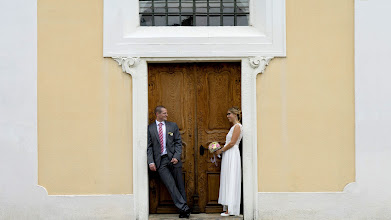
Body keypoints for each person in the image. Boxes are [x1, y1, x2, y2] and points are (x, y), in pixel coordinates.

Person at [147, 106, 191, 218]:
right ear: (157, 114)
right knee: (170, 185)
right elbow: (149, 146)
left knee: (180, 185)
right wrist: (151, 162)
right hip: (160, 162)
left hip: (173, 160)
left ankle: (183, 211)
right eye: (164, 113)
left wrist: (176, 156)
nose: (167, 115)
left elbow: (178, 142)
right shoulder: (150, 128)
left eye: (166, 113)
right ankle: (184, 208)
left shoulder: (173, 126)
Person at [215, 107, 243, 216]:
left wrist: (221, 150)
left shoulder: (237, 127)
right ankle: (228, 207)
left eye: (229, 114)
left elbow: (232, 143)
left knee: (232, 179)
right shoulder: (233, 127)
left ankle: (231, 209)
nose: (227, 116)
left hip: (232, 154)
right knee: (227, 178)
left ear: (235, 114)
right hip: (229, 154)